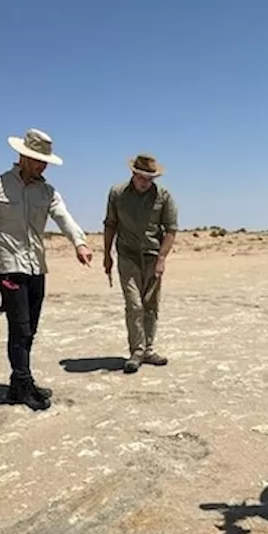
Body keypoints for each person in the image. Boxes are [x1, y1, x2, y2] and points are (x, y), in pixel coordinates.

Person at [0, 128, 94, 410]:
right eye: (37, 159)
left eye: (45, 161)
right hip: (9, 266)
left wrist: (79, 243)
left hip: (36, 266)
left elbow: (64, 217)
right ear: (22, 156)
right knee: (19, 327)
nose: (42, 165)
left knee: (30, 330)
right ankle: (21, 382)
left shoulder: (47, 191)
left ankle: (21, 383)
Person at [102, 153, 179, 373]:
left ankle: (149, 349)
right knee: (134, 304)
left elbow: (171, 230)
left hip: (153, 256)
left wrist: (162, 258)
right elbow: (110, 224)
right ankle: (136, 351)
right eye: (141, 177)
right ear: (133, 174)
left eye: (150, 178)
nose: (145, 182)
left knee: (150, 305)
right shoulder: (117, 193)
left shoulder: (164, 197)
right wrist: (106, 254)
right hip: (127, 256)